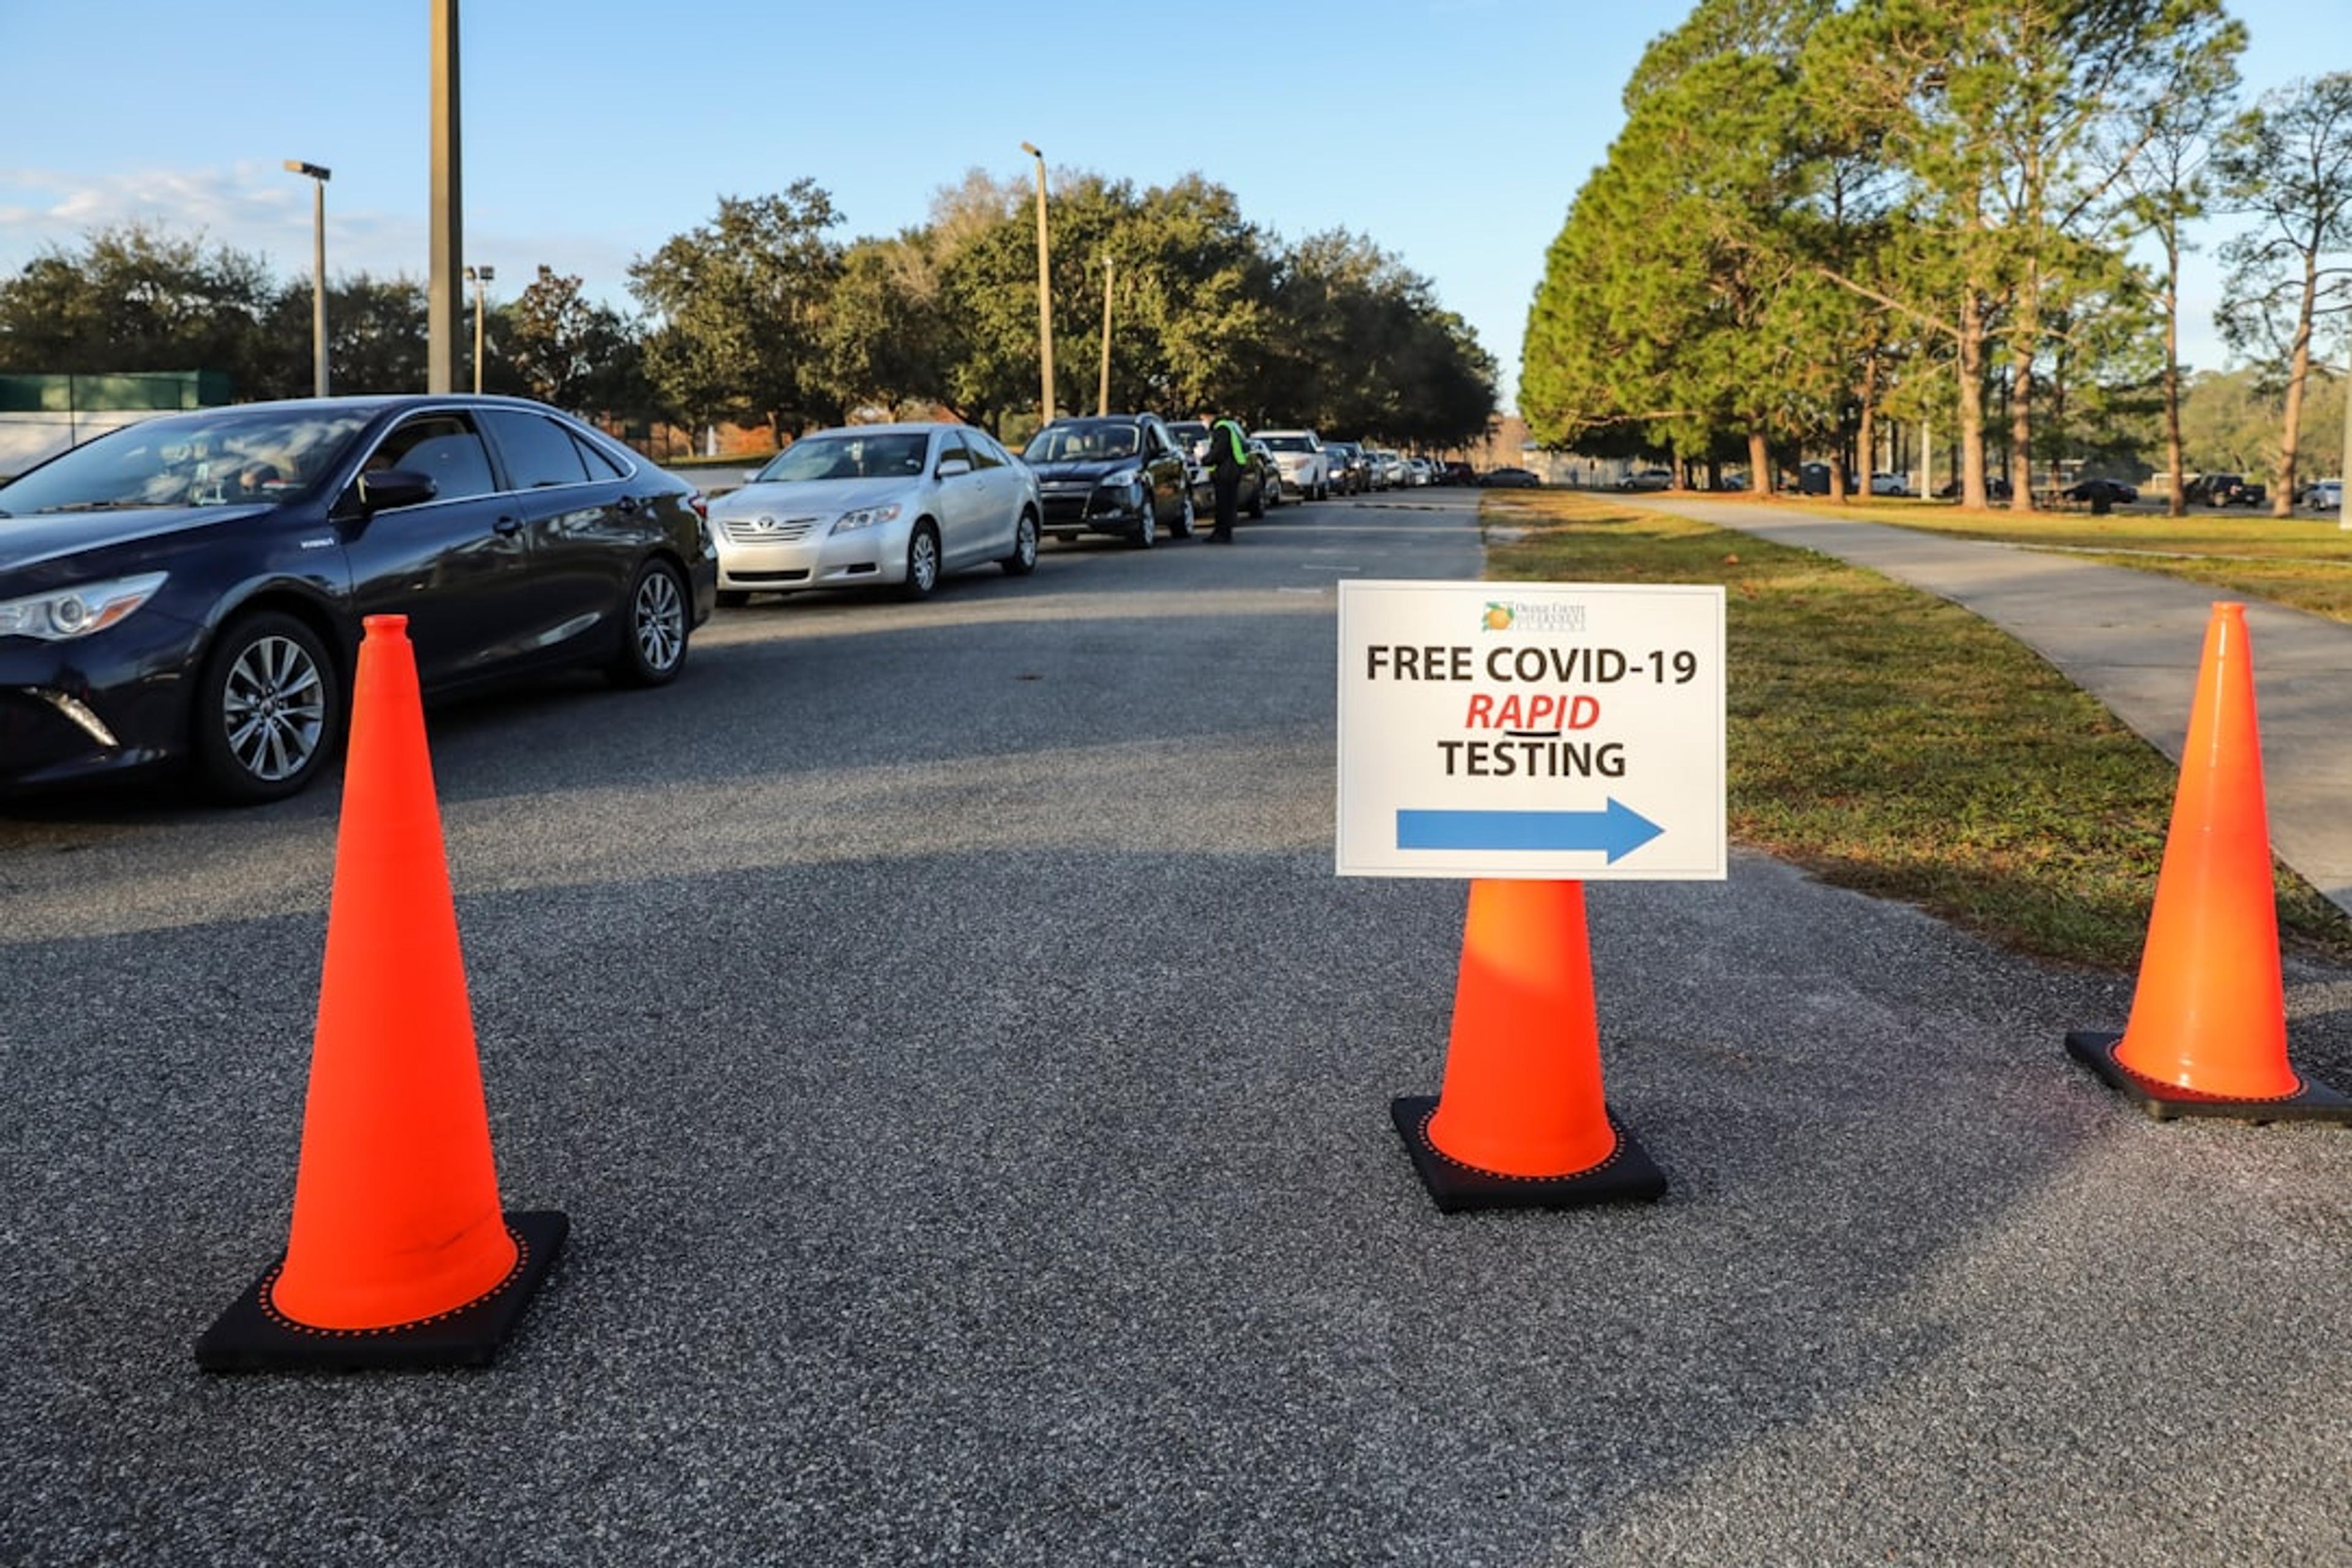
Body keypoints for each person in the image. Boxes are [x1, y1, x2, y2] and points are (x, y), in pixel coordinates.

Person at [1203, 412, 1249, 543]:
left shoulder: (1221, 429)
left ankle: (1223, 533)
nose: (1203, 422)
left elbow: (1219, 451)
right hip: (1231, 469)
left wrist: (1205, 460)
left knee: (1224, 504)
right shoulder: (1227, 427)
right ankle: (1222, 532)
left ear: (1209, 416)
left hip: (1227, 471)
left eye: (1203, 419)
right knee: (1226, 503)